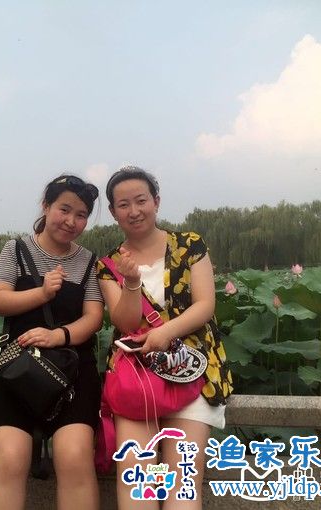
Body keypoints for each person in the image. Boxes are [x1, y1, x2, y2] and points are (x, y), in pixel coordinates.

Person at [97, 166, 232, 509]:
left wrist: (165, 332)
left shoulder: (190, 245)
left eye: (141, 200)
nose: (134, 210)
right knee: (136, 478)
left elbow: (205, 305)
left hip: (193, 370)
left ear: (156, 202)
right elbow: (125, 322)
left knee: (182, 479)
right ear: (113, 212)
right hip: (137, 379)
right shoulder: (109, 265)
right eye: (123, 205)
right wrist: (131, 283)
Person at [0, 175, 103, 510]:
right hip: (19, 370)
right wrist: (42, 293)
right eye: (64, 209)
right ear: (46, 206)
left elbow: (93, 318)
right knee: (9, 458)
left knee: (75, 456)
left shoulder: (88, 261)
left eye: (81, 215)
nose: (71, 221)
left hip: (73, 371)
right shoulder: (16, 250)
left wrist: (57, 336)